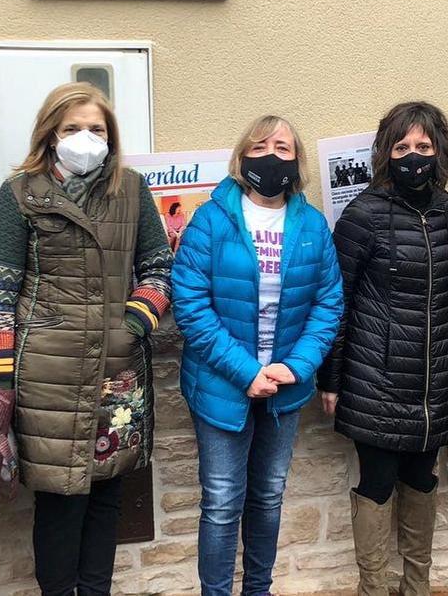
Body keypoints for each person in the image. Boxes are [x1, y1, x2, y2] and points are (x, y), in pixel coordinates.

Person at [0, 82, 173, 595]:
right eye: (72, 128)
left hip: (116, 371)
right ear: (50, 133)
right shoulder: (20, 193)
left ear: (111, 136)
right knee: (59, 502)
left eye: (96, 129)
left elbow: (157, 268)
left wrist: (135, 322)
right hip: (46, 376)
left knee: (107, 499)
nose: (85, 138)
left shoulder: (131, 189)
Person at [172, 115, 343, 596]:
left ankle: (259, 590)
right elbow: (190, 304)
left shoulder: (311, 224)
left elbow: (328, 303)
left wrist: (297, 366)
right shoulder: (211, 219)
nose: (272, 155)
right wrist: (246, 371)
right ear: (242, 156)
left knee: (268, 497)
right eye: (262, 145)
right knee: (224, 501)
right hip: (222, 383)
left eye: (284, 148)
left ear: (298, 161)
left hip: (284, 388)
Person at [318, 102, 448, 596]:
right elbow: (336, 301)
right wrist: (331, 380)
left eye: (423, 147)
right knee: (377, 484)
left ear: (440, 152)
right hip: (373, 379)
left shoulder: (445, 210)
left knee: (422, 480)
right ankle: (374, 588)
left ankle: (416, 585)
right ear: (384, 153)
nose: (413, 157)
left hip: (432, 381)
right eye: (402, 147)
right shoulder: (363, 213)